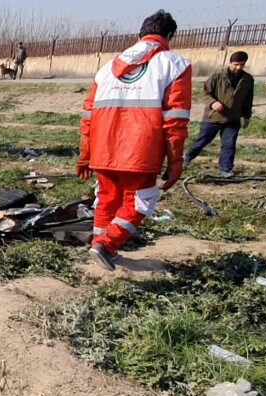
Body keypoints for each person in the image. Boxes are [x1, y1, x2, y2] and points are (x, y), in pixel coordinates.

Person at [77, 10, 191, 272]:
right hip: (141, 150)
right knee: (140, 202)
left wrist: (86, 154)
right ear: (170, 36)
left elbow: (88, 115)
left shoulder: (107, 69)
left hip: (103, 148)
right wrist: (175, 161)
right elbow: (175, 121)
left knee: (107, 200)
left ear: (140, 34)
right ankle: (106, 246)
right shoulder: (175, 65)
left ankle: (101, 247)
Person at [183, 51, 254, 178]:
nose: (238, 67)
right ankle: (187, 158)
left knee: (229, 144)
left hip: (233, 119)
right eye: (236, 64)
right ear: (230, 63)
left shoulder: (247, 80)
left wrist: (247, 116)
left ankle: (225, 169)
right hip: (213, 117)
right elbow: (205, 94)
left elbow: (248, 100)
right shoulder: (217, 77)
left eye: (242, 65)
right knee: (202, 141)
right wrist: (213, 103)